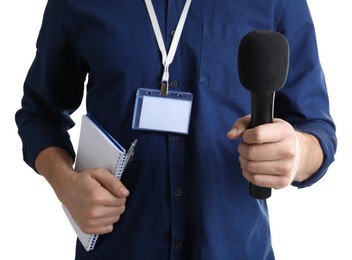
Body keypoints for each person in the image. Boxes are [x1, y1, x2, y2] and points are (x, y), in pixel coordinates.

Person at [15, 0, 337, 259]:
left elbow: (316, 129)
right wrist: (65, 184)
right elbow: (39, 114)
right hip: (119, 249)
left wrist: (296, 154)